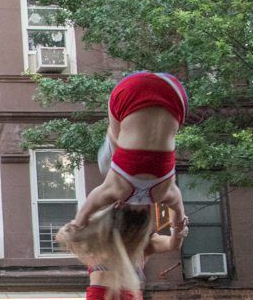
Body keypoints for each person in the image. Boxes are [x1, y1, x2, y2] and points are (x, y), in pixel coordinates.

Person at [72, 71, 188, 240]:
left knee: (164, 133)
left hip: (174, 93)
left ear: (150, 212)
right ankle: (113, 146)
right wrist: (74, 229)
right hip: (131, 89)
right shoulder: (115, 190)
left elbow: (179, 220)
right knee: (114, 137)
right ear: (118, 205)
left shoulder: (165, 194)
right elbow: (83, 214)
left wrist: (177, 234)